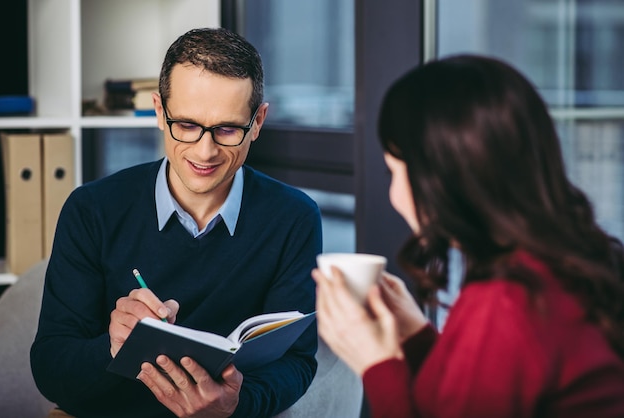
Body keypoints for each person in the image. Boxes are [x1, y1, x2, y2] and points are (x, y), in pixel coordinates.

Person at [31, 27, 322, 418]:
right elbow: (51, 369)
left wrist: (235, 405)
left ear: (257, 122)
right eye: (186, 124)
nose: (206, 151)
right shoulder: (91, 210)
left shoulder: (294, 218)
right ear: (158, 111)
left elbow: (297, 360)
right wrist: (113, 347)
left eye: (228, 129)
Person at [314, 54, 624, 417]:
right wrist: (416, 337)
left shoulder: (507, 301)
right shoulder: (564, 261)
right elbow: (479, 390)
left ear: (441, 180)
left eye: (393, 171)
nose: (394, 193)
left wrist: (376, 364)